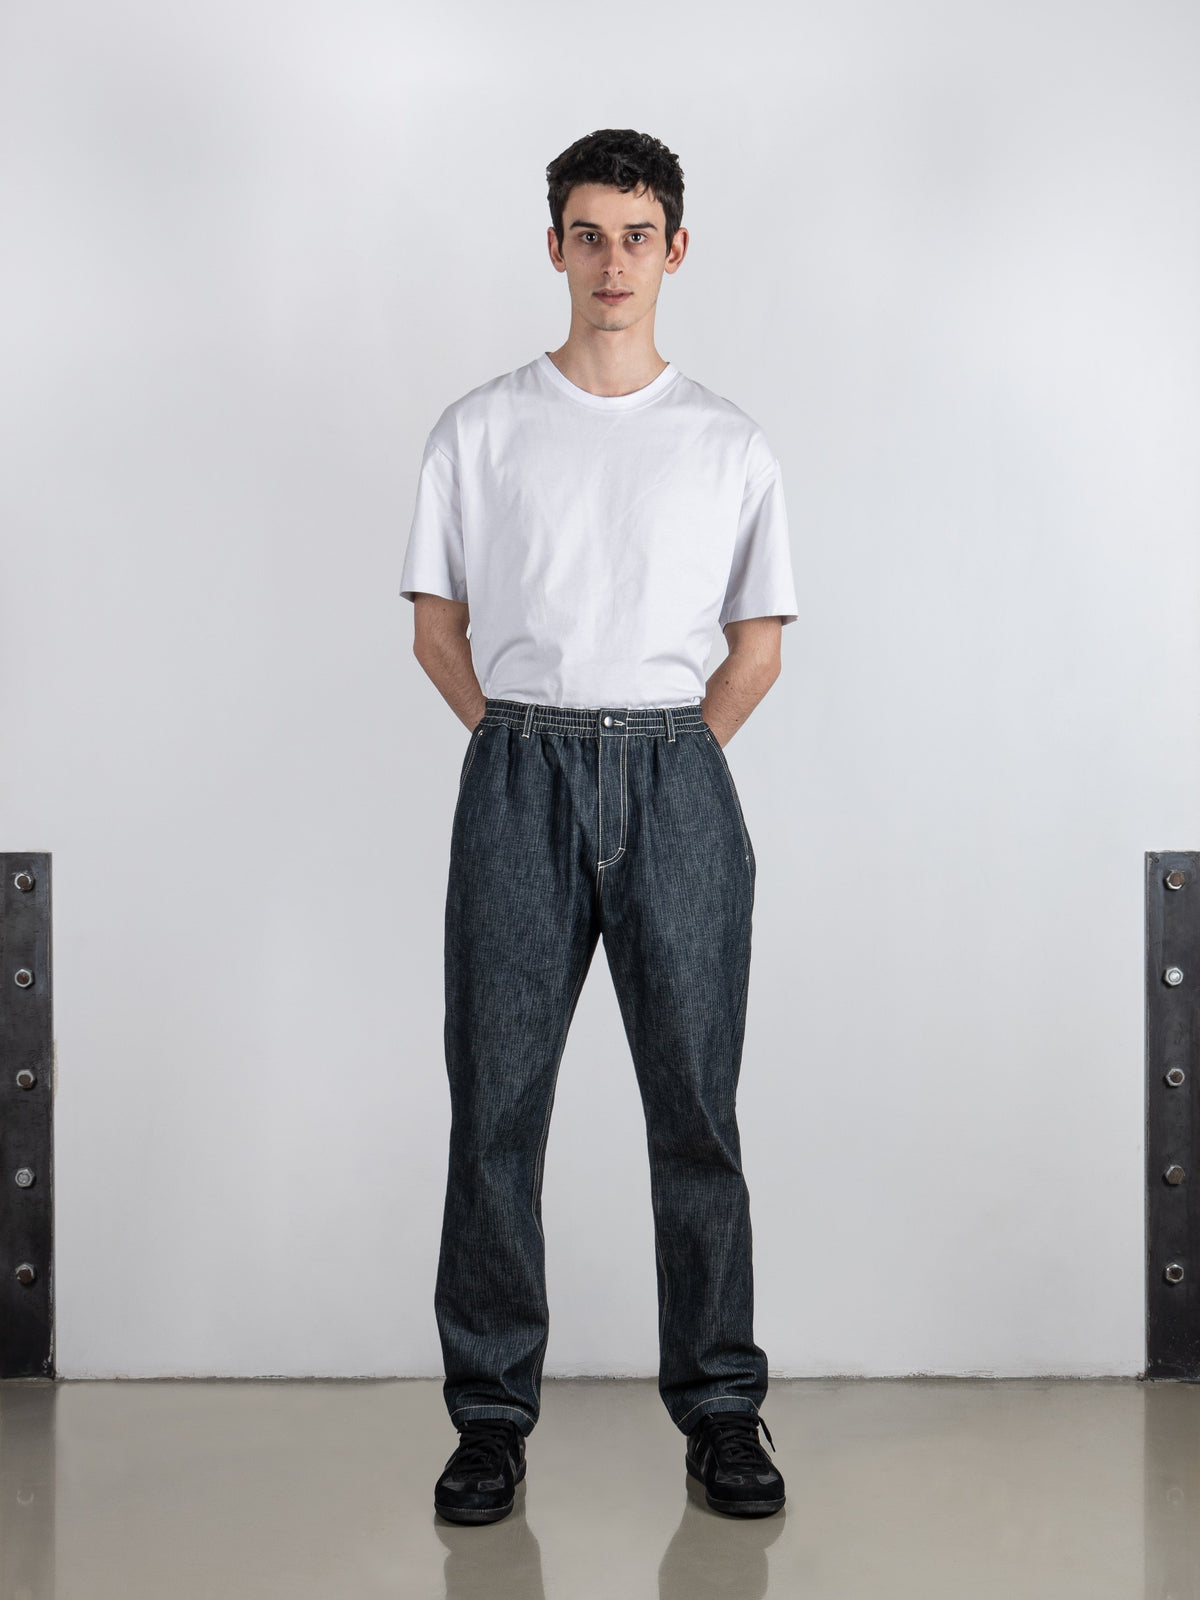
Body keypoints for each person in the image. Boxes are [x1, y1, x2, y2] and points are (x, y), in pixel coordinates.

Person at [399, 127, 798, 1525]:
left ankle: (725, 1413)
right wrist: (529, 753)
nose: (612, 260)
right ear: (553, 246)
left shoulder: (727, 441)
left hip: (678, 773)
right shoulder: (482, 427)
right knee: (495, 1110)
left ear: (674, 250)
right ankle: (491, 1420)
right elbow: (438, 628)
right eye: (588, 232)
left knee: (697, 1112)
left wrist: (661, 767)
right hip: (519, 771)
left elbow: (755, 646)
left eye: (638, 235)